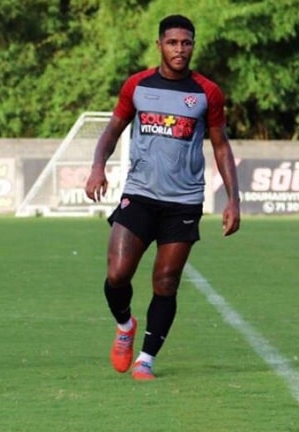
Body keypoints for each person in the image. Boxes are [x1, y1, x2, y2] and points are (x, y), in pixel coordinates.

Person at [84, 14, 241, 381]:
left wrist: (234, 199)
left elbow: (221, 146)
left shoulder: (207, 92)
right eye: (172, 42)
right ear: (159, 45)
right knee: (117, 273)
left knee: (165, 281)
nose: (180, 49)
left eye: (186, 43)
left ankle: (146, 359)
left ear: (193, 46)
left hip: (183, 202)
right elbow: (112, 130)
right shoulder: (138, 86)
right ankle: (125, 325)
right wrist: (97, 167)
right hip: (139, 194)